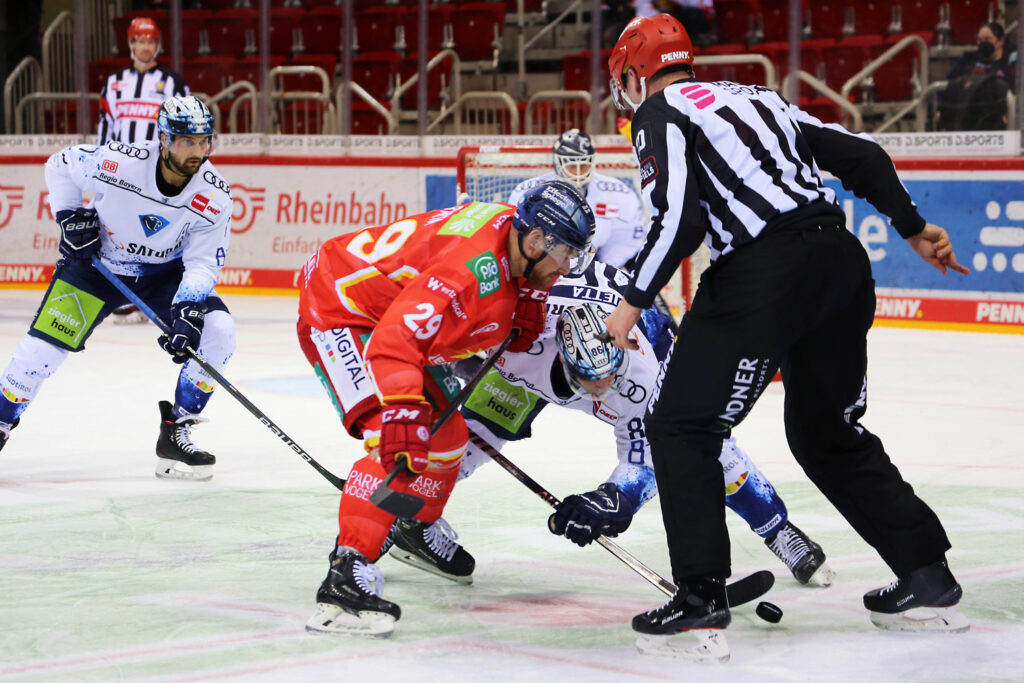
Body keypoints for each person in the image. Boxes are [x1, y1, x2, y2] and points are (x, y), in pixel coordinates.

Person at [601, 14, 971, 660]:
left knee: (682, 424)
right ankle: (926, 573)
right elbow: (865, 156)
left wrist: (629, 304)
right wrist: (913, 227)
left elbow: (679, 216)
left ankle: (699, 600)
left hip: (762, 272)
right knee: (825, 433)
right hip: (840, 263)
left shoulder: (658, 112)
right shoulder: (759, 98)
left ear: (635, 75)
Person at [387, 262, 835, 590]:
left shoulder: (637, 375)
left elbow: (646, 457)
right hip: (533, 344)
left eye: (609, 376)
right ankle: (401, 512)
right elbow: (427, 332)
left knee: (708, 446)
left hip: (649, 346)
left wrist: (610, 500)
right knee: (468, 434)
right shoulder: (519, 335)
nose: (601, 388)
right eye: (590, 380)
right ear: (561, 355)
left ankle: (777, 529)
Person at [297, 181, 595, 637]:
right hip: (345, 309)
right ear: (536, 241)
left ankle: (414, 528)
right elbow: (396, 342)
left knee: (450, 437)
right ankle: (345, 574)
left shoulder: (515, 240)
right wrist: (400, 411)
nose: (569, 264)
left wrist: (530, 299)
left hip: (391, 311)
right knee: (396, 439)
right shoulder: (467, 274)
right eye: (566, 253)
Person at [0, 95, 235, 484]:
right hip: (94, 268)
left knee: (219, 332)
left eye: (204, 141)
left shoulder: (215, 196)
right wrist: (69, 216)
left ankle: (177, 429)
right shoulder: (121, 161)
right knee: (37, 357)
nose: (197, 152)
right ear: (163, 139)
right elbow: (60, 165)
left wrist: (188, 308)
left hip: (162, 276)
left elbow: (202, 261)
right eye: (185, 141)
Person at [98, 16, 190, 324]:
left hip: (156, 172)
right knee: (120, 233)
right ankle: (126, 296)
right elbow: (105, 128)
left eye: (150, 41)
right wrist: (99, 168)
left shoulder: (173, 82)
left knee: (158, 233)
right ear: (131, 43)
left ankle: (161, 295)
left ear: (158, 44)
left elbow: (184, 128)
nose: (145, 46)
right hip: (120, 171)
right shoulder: (114, 83)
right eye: (139, 40)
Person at [509, 129, 647, 271]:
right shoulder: (529, 191)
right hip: (542, 267)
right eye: (572, 165)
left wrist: (603, 268)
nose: (578, 173)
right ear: (557, 162)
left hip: (593, 266)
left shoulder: (619, 193)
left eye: (584, 165)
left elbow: (627, 239)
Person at [937, 21, 1016, 131]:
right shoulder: (968, 60)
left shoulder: (1010, 63)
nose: (983, 43)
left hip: (998, 118)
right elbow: (948, 85)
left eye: (988, 39)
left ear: (1001, 41)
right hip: (968, 117)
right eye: (979, 40)